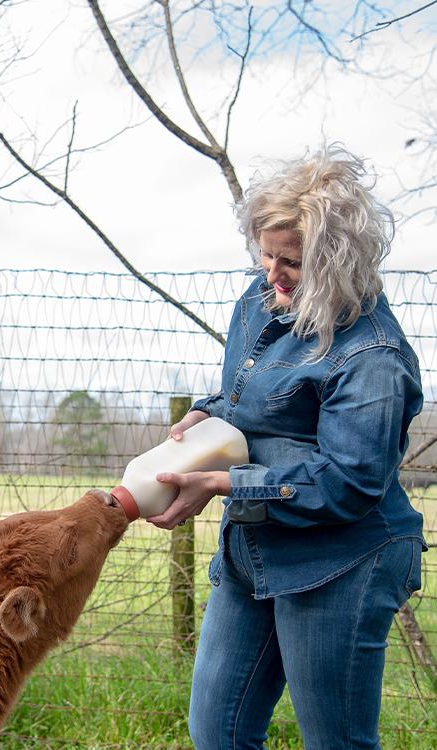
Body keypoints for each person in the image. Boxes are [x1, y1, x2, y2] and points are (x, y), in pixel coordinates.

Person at [147, 144, 427, 750]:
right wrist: (211, 411)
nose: (271, 274)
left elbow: (349, 481)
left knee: (335, 742)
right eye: (265, 255)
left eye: (291, 262)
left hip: (342, 560)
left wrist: (222, 484)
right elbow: (264, 402)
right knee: (216, 732)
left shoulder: (372, 358)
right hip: (257, 542)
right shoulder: (261, 298)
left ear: (339, 263)